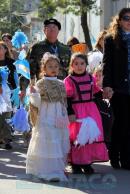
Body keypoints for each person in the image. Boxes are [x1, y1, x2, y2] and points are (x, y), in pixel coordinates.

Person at [26, 53, 70, 181]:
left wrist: (64, 115)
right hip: (45, 116)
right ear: (43, 68)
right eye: (50, 66)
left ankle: (57, 169)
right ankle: (44, 170)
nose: (53, 68)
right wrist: (34, 94)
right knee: (46, 142)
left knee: (57, 141)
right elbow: (37, 104)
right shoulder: (40, 84)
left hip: (58, 117)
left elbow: (63, 102)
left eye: (56, 66)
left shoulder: (61, 84)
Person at [64, 53, 109, 174]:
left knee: (90, 136)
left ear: (86, 65)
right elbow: (67, 98)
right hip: (77, 111)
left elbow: (96, 92)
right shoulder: (69, 80)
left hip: (91, 110)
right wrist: (70, 112)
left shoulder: (90, 78)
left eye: (82, 63)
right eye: (76, 64)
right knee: (78, 137)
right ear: (72, 65)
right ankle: (75, 163)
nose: (79, 66)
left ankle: (87, 163)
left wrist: (105, 93)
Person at [103, 8, 130, 170]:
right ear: (119, 20)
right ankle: (114, 156)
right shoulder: (111, 39)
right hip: (118, 88)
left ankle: (127, 159)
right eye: (126, 18)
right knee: (119, 124)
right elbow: (107, 64)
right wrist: (107, 85)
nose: (129, 21)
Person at [0, 41, 17, 149]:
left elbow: (14, 78)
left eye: (1, 48)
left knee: (7, 115)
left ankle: (7, 139)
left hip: (8, 91)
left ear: (5, 50)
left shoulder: (11, 62)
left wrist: (16, 91)